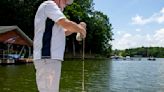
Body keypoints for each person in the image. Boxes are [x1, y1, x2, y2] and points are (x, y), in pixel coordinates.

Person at [33, 0, 87, 92]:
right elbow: (65, 23)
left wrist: (78, 28)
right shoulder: (49, 5)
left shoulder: (52, 14)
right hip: (47, 58)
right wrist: (81, 29)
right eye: (65, 2)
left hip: (50, 59)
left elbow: (65, 31)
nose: (65, 6)